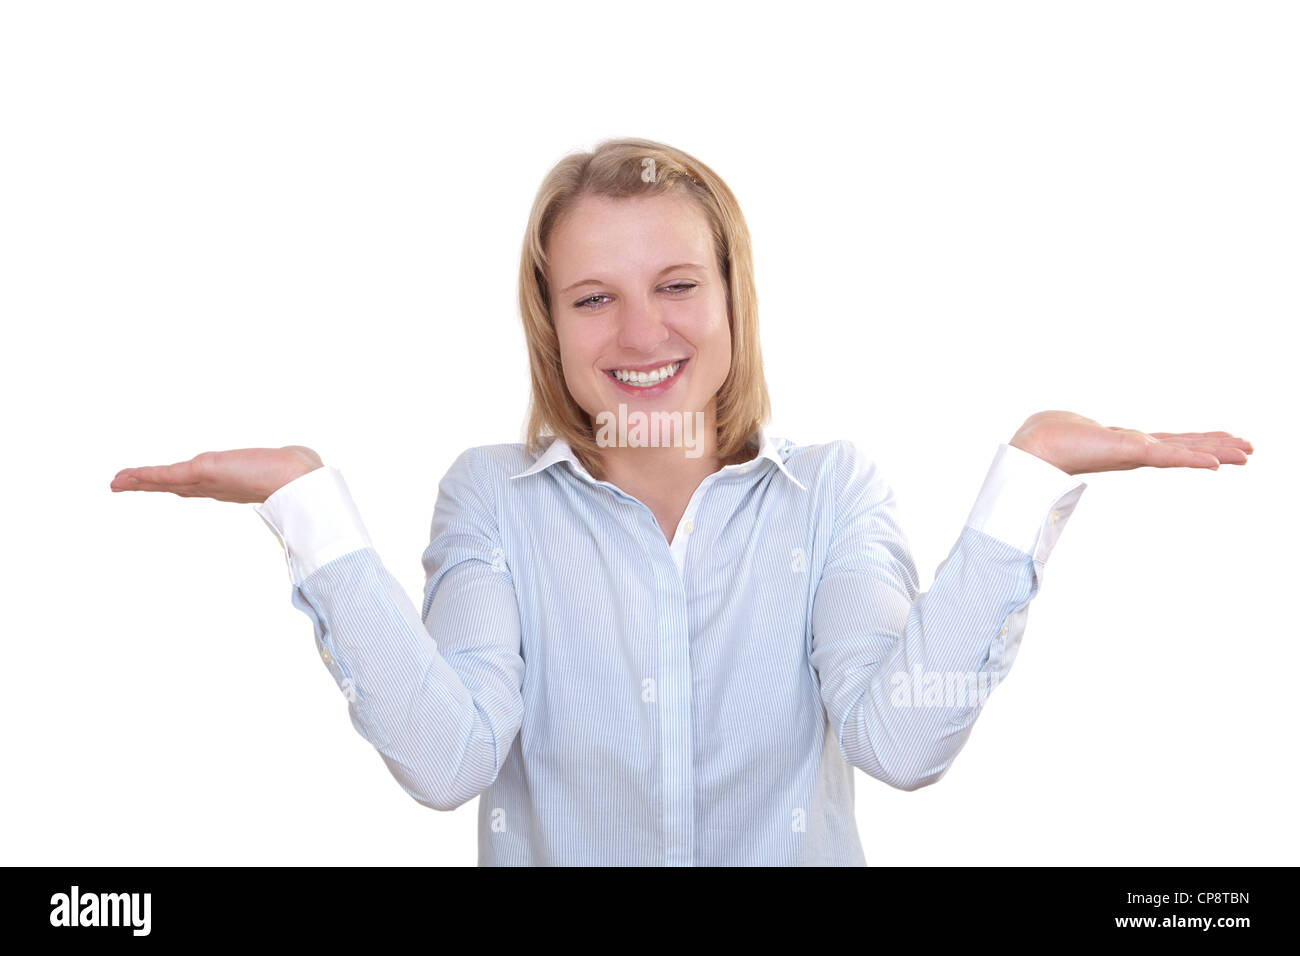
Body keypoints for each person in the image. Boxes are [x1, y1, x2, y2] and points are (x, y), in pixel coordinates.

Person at [110, 137, 1253, 866]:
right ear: (549, 324)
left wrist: (1026, 481)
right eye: (594, 296)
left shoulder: (832, 491)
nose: (642, 333)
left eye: (675, 285)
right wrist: (310, 506)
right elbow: (448, 758)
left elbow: (899, 743)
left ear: (731, 296)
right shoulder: (492, 499)